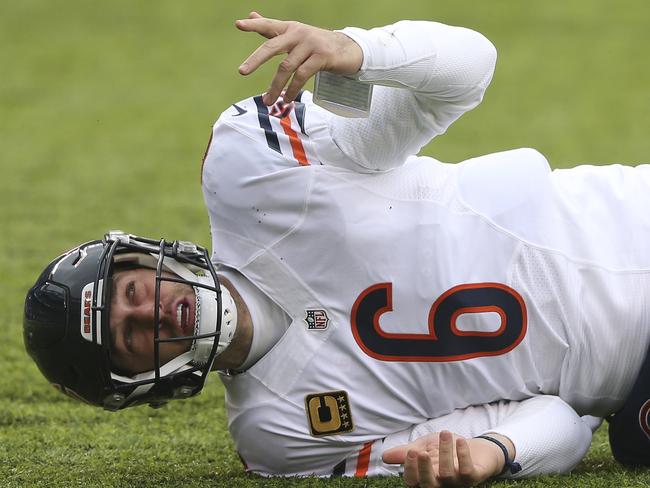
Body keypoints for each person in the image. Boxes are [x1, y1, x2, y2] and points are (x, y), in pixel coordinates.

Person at [22, 12, 650, 487]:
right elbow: (563, 425)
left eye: (131, 293)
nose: (151, 312)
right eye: (128, 336)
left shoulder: (254, 174)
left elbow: (471, 69)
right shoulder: (278, 436)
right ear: (138, 384)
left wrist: (362, 51)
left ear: (143, 257)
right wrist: (493, 454)